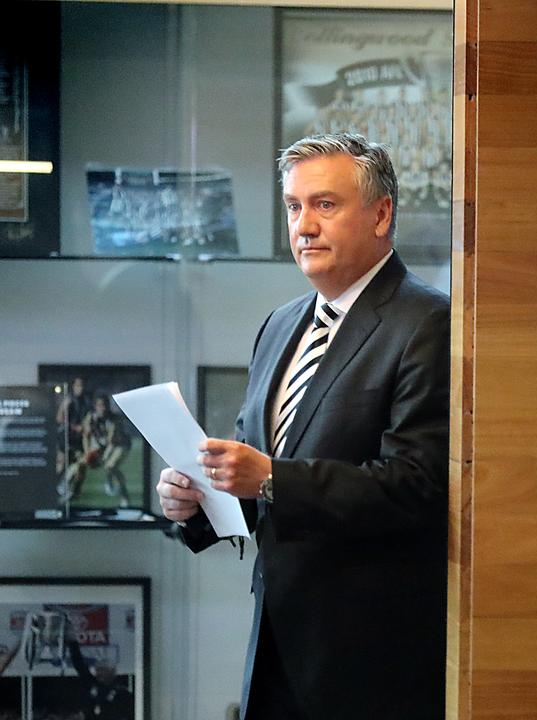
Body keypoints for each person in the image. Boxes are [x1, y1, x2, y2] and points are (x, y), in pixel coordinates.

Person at [154, 133, 449, 719]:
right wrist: (197, 502)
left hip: (371, 663)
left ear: (381, 214)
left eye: (325, 205)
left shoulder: (428, 322)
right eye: (293, 207)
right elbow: (256, 475)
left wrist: (270, 480)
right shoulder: (280, 324)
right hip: (273, 651)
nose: (304, 226)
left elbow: (416, 485)